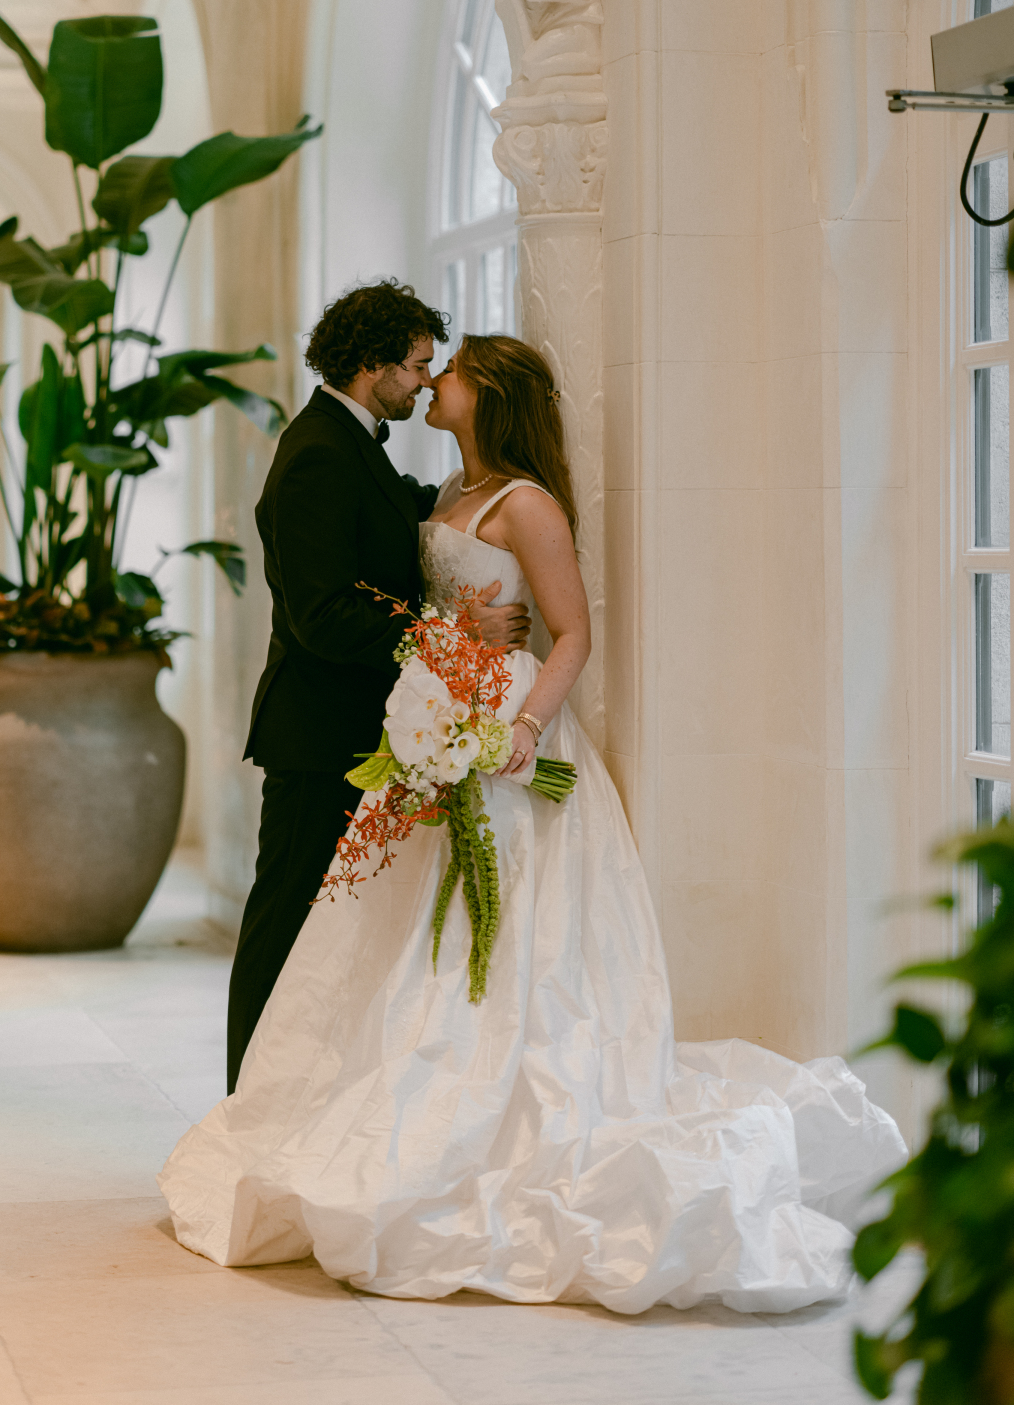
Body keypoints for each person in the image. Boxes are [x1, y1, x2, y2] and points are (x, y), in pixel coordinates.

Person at [162, 332, 907, 1313]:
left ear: (491, 394)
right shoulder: (442, 494)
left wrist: (524, 726)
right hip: (433, 715)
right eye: (426, 364)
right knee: (387, 930)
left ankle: (488, 1105)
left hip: (505, 726)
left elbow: (573, 633)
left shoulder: (527, 504)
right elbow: (388, 597)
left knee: (510, 935)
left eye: (452, 369)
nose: (436, 379)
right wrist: (444, 656)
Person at [226, 285, 530, 1093]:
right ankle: (247, 1102)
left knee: (327, 936)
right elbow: (323, 614)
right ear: (372, 364)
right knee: (285, 923)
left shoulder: (351, 441)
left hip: (354, 729)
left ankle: (295, 1099)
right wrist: (454, 637)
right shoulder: (319, 453)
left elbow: (393, 528)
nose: (426, 381)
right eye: (419, 365)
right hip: (316, 734)